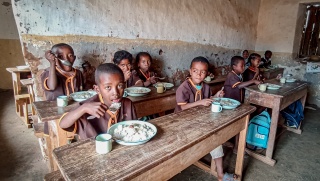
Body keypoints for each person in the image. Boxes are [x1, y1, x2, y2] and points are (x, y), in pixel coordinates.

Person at [175, 56, 237, 181]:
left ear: (207, 73)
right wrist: (201, 102)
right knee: (211, 138)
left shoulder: (206, 87)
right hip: (182, 123)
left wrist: (216, 96)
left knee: (216, 139)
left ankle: (220, 174)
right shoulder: (184, 87)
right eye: (195, 71)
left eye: (203, 72)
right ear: (190, 70)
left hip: (200, 122)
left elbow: (207, 101)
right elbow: (183, 108)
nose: (199, 74)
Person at [59, 63, 137, 139]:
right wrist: (84, 108)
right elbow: (63, 124)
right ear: (97, 89)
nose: (115, 93)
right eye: (108, 87)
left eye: (120, 86)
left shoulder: (128, 104)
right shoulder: (87, 106)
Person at [224, 56, 262, 154]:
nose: (244, 67)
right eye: (242, 66)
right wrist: (253, 81)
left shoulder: (239, 75)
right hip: (229, 105)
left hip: (236, 104)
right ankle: (235, 146)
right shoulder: (231, 75)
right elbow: (239, 86)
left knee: (239, 124)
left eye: (244, 65)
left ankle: (237, 146)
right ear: (234, 67)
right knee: (236, 125)